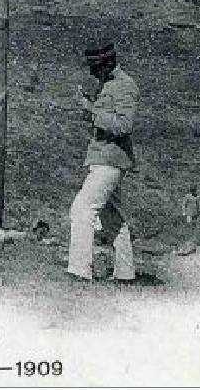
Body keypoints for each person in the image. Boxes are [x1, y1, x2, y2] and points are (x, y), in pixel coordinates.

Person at [67, 41, 139, 283]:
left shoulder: (125, 86)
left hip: (111, 160)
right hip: (105, 158)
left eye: (95, 67)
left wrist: (92, 111)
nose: (91, 73)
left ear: (107, 63)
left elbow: (124, 125)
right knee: (113, 218)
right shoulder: (108, 84)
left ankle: (79, 270)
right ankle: (125, 273)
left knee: (82, 209)